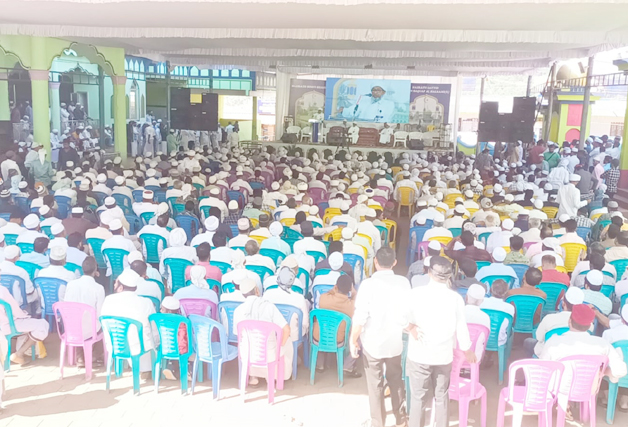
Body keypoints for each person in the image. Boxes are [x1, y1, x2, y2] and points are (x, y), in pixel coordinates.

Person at [405, 256, 474, 427]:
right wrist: (467, 350)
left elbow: (400, 318)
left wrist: (410, 328)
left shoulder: (415, 294)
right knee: (442, 396)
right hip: (443, 356)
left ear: (429, 273)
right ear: (450, 276)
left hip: (419, 355)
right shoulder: (455, 299)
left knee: (418, 398)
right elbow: (461, 328)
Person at [350, 247, 410, 427]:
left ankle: (377, 422)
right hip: (394, 342)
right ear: (394, 262)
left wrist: (353, 340)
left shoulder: (367, 285)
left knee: (374, 385)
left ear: (375, 262)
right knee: (396, 381)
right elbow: (407, 312)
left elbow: (360, 317)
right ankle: (401, 419)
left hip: (372, 344)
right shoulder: (403, 283)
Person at [539, 304, 627, 390]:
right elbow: (620, 371)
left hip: (559, 391)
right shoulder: (602, 344)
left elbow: (542, 370)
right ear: (590, 325)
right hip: (587, 392)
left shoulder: (553, 342)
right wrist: (603, 370)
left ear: (569, 321)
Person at [233, 276, 292, 385]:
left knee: (249, 344)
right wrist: (280, 346)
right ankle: (273, 376)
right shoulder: (269, 307)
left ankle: (253, 376)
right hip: (269, 354)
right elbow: (287, 330)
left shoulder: (238, 310)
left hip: (247, 354)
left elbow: (238, 335)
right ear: (257, 290)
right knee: (288, 341)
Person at [101, 269, 156, 377]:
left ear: (120, 287)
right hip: (139, 347)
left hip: (115, 344)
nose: (114, 284)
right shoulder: (146, 302)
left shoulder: (108, 300)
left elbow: (103, 321)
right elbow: (153, 327)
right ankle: (147, 369)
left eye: (116, 282)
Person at [62, 256, 105, 365]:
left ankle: (80, 356)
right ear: (95, 271)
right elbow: (100, 314)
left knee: (80, 323)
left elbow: (66, 305)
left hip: (71, 328)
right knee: (101, 326)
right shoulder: (98, 288)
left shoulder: (71, 284)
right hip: (89, 330)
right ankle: (94, 355)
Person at [313, 274, 359, 375]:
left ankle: (320, 364)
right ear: (350, 289)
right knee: (357, 334)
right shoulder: (350, 305)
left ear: (336, 286)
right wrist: (354, 293)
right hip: (338, 340)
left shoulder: (323, 299)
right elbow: (356, 301)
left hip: (319, 338)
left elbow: (329, 293)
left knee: (321, 328)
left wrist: (334, 290)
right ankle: (348, 366)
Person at [523, 286, 585, 357]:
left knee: (528, 342)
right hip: (572, 354)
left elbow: (539, 337)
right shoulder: (588, 325)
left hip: (547, 354)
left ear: (563, 304)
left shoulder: (549, 319)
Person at [0, 283, 48, 366]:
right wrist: (25, 315)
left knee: (25, 325)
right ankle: (19, 353)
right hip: (7, 326)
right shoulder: (2, 290)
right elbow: (15, 310)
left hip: (3, 326)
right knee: (42, 324)